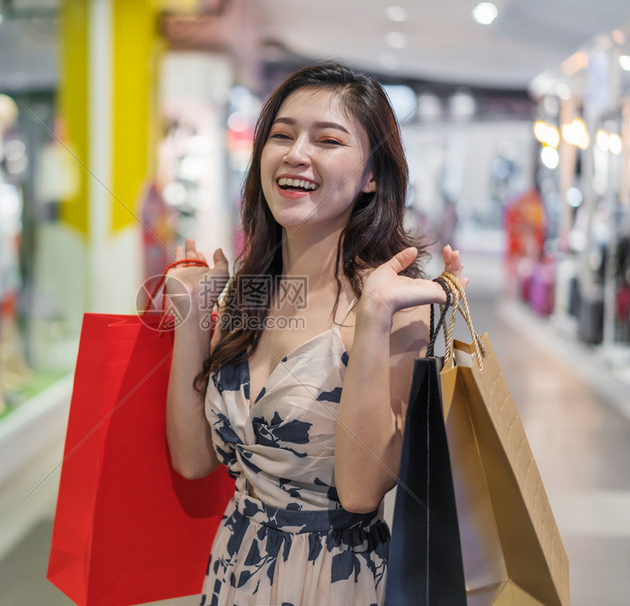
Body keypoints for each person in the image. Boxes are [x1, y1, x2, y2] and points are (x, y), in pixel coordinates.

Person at [165, 62, 465, 605]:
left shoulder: (397, 306)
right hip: (236, 567)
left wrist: (372, 318)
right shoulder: (249, 292)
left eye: (328, 140)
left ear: (373, 175)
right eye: (281, 135)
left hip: (334, 579)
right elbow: (192, 461)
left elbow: (359, 491)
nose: (296, 154)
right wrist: (192, 316)